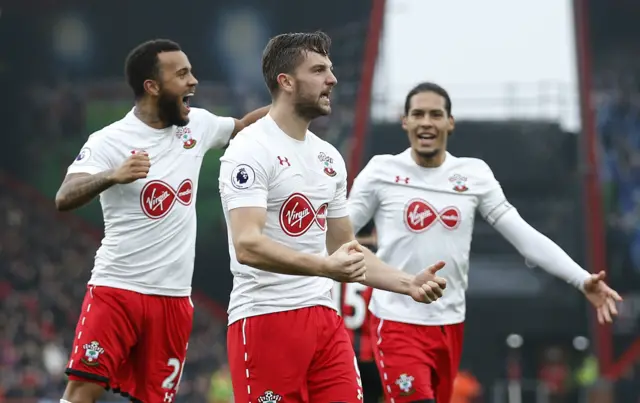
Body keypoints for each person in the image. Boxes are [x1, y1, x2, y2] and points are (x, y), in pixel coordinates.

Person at [347, 82, 623, 403]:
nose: (426, 122)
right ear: (405, 121)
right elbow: (339, 236)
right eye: (418, 114)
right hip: (396, 322)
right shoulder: (381, 171)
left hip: (449, 324)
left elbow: (524, 237)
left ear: (450, 122)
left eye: (436, 114)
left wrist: (582, 278)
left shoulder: (474, 175)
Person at [218, 32, 448, 403]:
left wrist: (407, 283)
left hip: (325, 322)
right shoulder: (249, 150)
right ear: (286, 81)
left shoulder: (328, 158)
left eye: (331, 69)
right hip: (265, 320)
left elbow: (344, 248)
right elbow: (247, 245)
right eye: (319, 70)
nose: (332, 79)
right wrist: (326, 268)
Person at [54, 39, 269, 403]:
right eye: (182, 74)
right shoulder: (110, 140)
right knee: (82, 391)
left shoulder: (197, 124)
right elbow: (64, 196)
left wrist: (286, 101)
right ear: (152, 87)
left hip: (173, 299)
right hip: (117, 289)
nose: (194, 82)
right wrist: (112, 175)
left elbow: (243, 127)